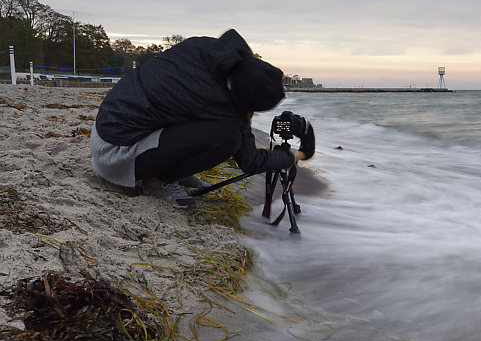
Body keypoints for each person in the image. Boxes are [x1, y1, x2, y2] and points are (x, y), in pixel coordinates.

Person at [90, 29, 314, 209]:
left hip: (105, 129)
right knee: (228, 137)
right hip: (116, 155)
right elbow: (249, 161)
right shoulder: (212, 99)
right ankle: (157, 180)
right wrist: (298, 155)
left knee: (214, 129)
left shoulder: (206, 49)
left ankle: (178, 171)